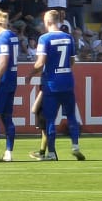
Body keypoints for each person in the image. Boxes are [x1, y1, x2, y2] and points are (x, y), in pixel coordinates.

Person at [32, 9, 83, 161]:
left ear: (47, 22)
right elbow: (72, 61)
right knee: (72, 116)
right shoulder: (68, 38)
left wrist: (29, 74)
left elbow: (40, 63)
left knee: (50, 119)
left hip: (51, 83)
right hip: (67, 81)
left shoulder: (44, 39)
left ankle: (52, 153)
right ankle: (75, 146)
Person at [0, 8, 21, 162]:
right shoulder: (12, 36)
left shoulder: (2, 39)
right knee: (7, 117)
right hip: (12, 80)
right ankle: (8, 152)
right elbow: (2, 48)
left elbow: (3, 60)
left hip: (1, 81)